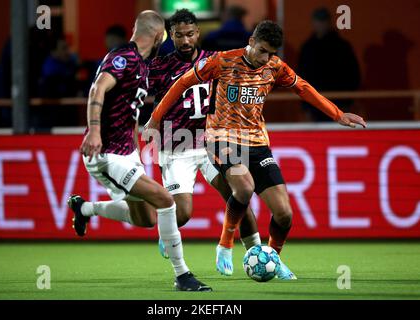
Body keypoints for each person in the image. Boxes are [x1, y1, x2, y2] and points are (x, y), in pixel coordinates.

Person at [146, 20, 367, 279]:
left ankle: (271, 257)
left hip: (258, 143)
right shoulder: (222, 61)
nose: (266, 58)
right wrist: (156, 117)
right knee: (244, 188)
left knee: (284, 214)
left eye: (272, 53)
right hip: (222, 138)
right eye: (262, 50)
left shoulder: (274, 67)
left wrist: (338, 114)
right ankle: (225, 245)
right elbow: (182, 83)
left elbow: (303, 88)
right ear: (251, 41)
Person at [67, 10, 211, 292]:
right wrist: (94, 130)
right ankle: (183, 275)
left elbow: (127, 113)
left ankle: (84, 208)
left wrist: (135, 146)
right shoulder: (125, 58)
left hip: (124, 152)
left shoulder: (144, 66)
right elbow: (97, 90)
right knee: (165, 200)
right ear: (160, 36)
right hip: (106, 153)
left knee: (146, 219)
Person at [147, 9, 261, 275]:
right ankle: (167, 230)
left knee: (239, 195)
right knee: (183, 213)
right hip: (175, 146)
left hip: (212, 143)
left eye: (189, 34)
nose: (185, 41)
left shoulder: (215, 61)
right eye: (178, 36)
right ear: (170, 37)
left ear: (197, 33)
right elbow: (134, 89)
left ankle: (260, 254)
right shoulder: (160, 67)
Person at [298, 7, 361, 122]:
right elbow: (301, 76)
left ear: (329, 22)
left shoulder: (342, 46)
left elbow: (353, 74)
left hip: (339, 103)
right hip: (315, 105)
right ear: (313, 23)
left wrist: (348, 101)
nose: (320, 24)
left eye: (323, 21)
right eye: (318, 21)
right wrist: (305, 106)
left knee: (338, 138)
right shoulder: (308, 47)